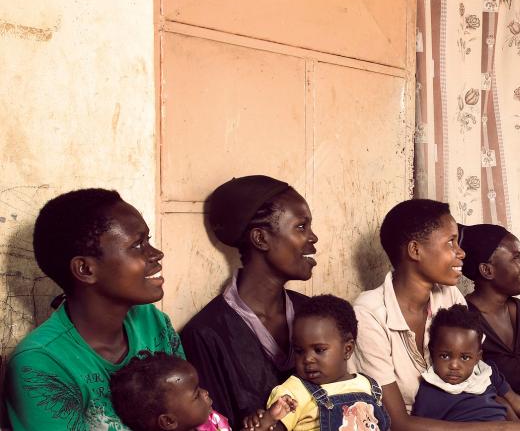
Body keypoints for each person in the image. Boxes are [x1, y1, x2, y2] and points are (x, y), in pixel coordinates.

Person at [351, 199, 520, 431]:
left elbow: (478, 378)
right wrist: (500, 428)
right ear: (415, 250)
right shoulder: (369, 314)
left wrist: (509, 414)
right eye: (450, 242)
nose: (461, 252)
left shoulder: (448, 296)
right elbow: (398, 422)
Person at [4, 188, 183, 430]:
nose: (156, 254)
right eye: (138, 245)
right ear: (86, 269)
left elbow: (189, 413)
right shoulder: (40, 365)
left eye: (148, 241)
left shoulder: (151, 322)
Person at [180, 175, 318, 424]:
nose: (313, 238)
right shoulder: (207, 334)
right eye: (301, 227)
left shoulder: (314, 313)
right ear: (261, 239)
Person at [251, 294, 389, 431]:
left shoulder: (369, 387)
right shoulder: (293, 393)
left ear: (347, 349)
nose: (307, 359)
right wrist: (267, 420)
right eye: (299, 351)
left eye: (319, 350)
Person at [411, 305, 520, 428]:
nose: (454, 365)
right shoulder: (430, 391)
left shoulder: (486, 374)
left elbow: (515, 402)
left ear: (478, 357)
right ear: (432, 351)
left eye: (465, 357)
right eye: (445, 356)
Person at [458, 223, 520, 403]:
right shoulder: (466, 318)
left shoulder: (518, 309)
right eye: (516, 258)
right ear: (487, 270)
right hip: (504, 412)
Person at [109, 351, 296, 431]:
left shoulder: (208, 420)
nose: (206, 393)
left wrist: (270, 418)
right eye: (196, 393)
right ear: (168, 421)